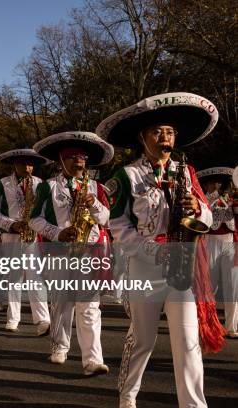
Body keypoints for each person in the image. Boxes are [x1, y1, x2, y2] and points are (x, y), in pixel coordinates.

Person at [97, 92, 226, 408]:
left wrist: (197, 207)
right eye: (157, 132)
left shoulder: (186, 172)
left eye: (169, 132)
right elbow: (118, 228)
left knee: (188, 341)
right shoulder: (125, 176)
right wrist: (153, 251)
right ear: (143, 138)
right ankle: (128, 394)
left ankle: (194, 404)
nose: (164, 138)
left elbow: (207, 219)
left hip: (182, 266)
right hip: (145, 266)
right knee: (143, 340)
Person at [31, 131, 114, 375]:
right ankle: (60, 346)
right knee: (62, 303)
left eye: (83, 158)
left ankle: (92, 360)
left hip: (89, 251)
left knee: (89, 306)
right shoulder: (48, 187)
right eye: (73, 158)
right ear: (61, 160)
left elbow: (108, 220)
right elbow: (35, 219)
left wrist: (94, 204)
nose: (79, 162)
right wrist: (57, 233)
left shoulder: (96, 186)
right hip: (60, 251)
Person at [0, 149, 50, 334]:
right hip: (11, 235)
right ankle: (13, 318)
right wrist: (11, 224)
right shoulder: (3, 183)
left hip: (32, 235)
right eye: (23, 164)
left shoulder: (40, 183)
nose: (27, 168)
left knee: (35, 277)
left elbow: (47, 210)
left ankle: (42, 320)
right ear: (15, 164)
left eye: (30, 164)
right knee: (14, 278)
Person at [197, 167, 237, 338]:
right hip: (210, 242)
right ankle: (206, 325)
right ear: (207, 185)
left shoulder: (231, 199)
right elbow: (203, 215)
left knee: (233, 286)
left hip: (230, 241)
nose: (217, 185)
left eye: (219, 183)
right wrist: (214, 198)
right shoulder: (203, 199)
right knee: (209, 285)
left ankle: (232, 327)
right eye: (214, 183)